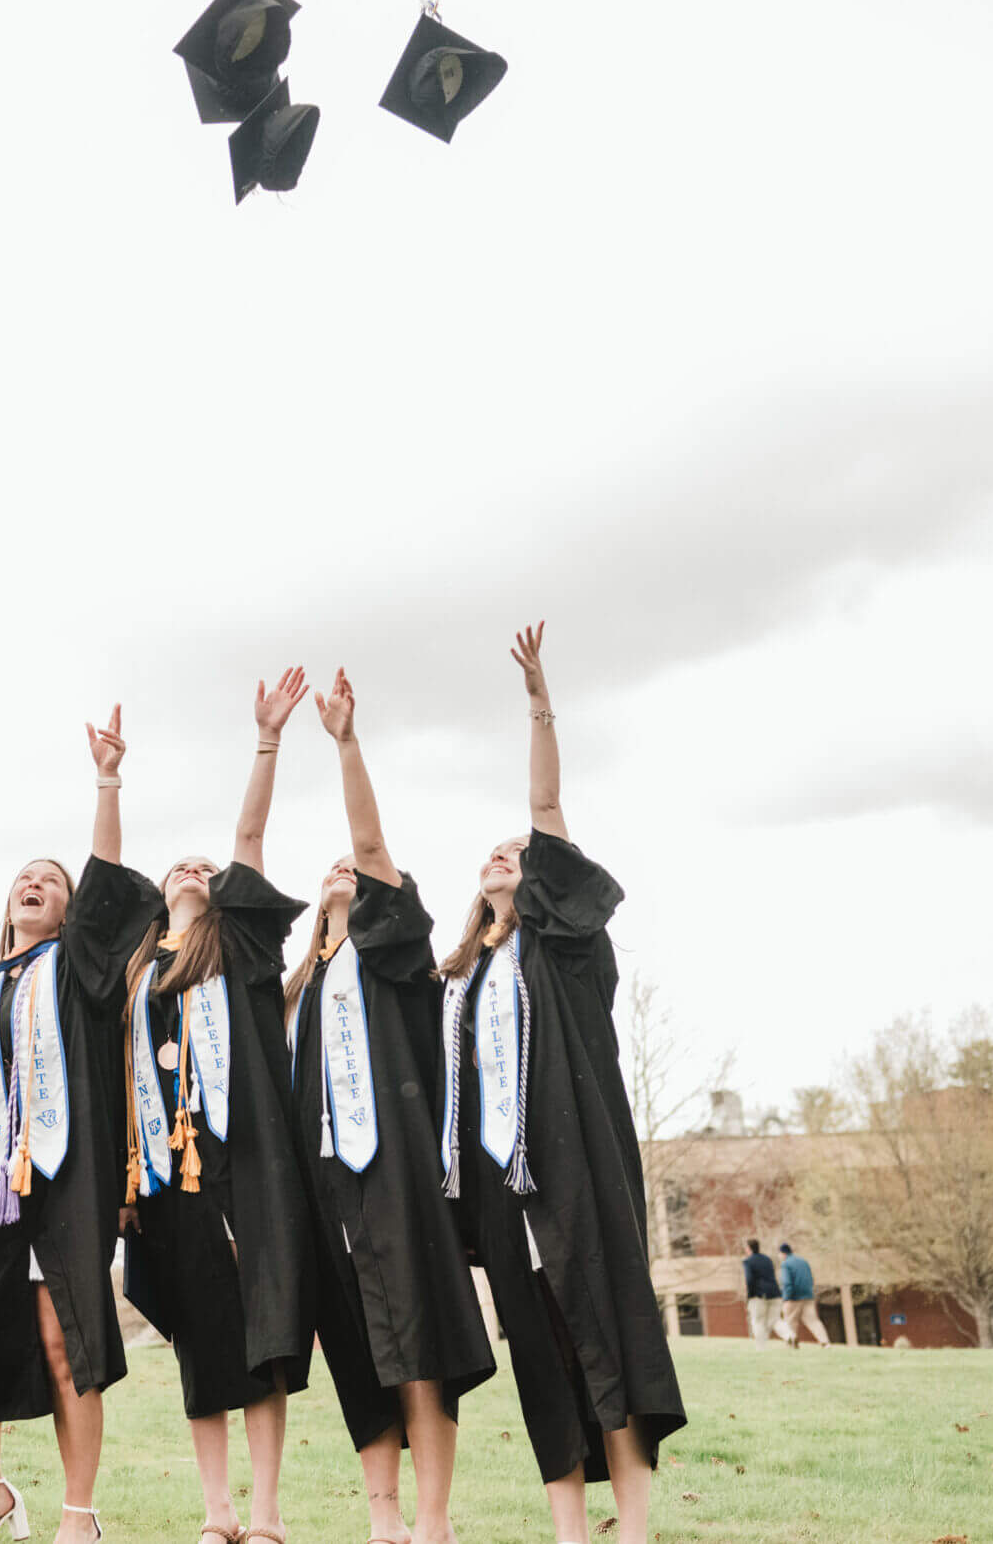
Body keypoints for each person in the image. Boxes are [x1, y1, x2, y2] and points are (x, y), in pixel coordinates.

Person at [438, 626, 684, 1544]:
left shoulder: (564, 948)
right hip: (504, 1187)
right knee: (541, 1355)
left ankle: (638, 1523)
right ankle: (572, 1528)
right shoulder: (458, 976)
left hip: (576, 1169)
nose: (506, 853)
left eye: (521, 851)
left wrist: (540, 702)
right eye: (494, 851)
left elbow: (544, 803)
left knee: (608, 1334)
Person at [0, 706, 160, 1544]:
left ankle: (77, 1512)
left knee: (68, 1343)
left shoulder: (81, 972)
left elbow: (106, 877)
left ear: (70, 914)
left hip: (65, 1188)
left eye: (52, 882)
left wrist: (107, 779)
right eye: (25, 878)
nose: (37, 885)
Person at [283, 671, 495, 1544]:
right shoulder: (298, 990)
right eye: (328, 863)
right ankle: (384, 1521)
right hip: (323, 1182)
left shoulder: (394, 963)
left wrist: (345, 745)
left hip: (393, 1174)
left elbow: (373, 847)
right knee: (356, 1348)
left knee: (420, 1348)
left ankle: (434, 1521)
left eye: (357, 869)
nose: (344, 867)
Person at [116, 673, 313, 1544]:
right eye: (181, 866)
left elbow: (248, 837)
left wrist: (266, 741)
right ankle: (218, 1512)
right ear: (161, 891)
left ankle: (265, 1514)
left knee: (263, 1337)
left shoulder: (238, 946)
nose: (196, 870)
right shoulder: (135, 974)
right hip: (164, 1173)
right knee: (201, 1343)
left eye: (206, 868)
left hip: (247, 1163)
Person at [775, 1245, 826, 1348]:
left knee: (790, 1321)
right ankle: (825, 1342)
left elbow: (787, 1283)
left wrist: (786, 1298)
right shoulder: (803, 1262)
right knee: (813, 1320)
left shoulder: (786, 1264)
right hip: (808, 1295)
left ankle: (792, 1344)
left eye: (779, 1254)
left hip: (793, 1297)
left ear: (783, 1253)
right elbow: (811, 1279)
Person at [741, 1241, 779, 1347]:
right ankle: (789, 1336)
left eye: (746, 1248)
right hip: (774, 1293)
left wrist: (749, 1296)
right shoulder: (767, 1259)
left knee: (757, 1321)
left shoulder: (748, 1261)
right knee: (774, 1320)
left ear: (749, 1248)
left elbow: (749, 1280)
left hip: (758, 1295)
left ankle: (761, 1346)